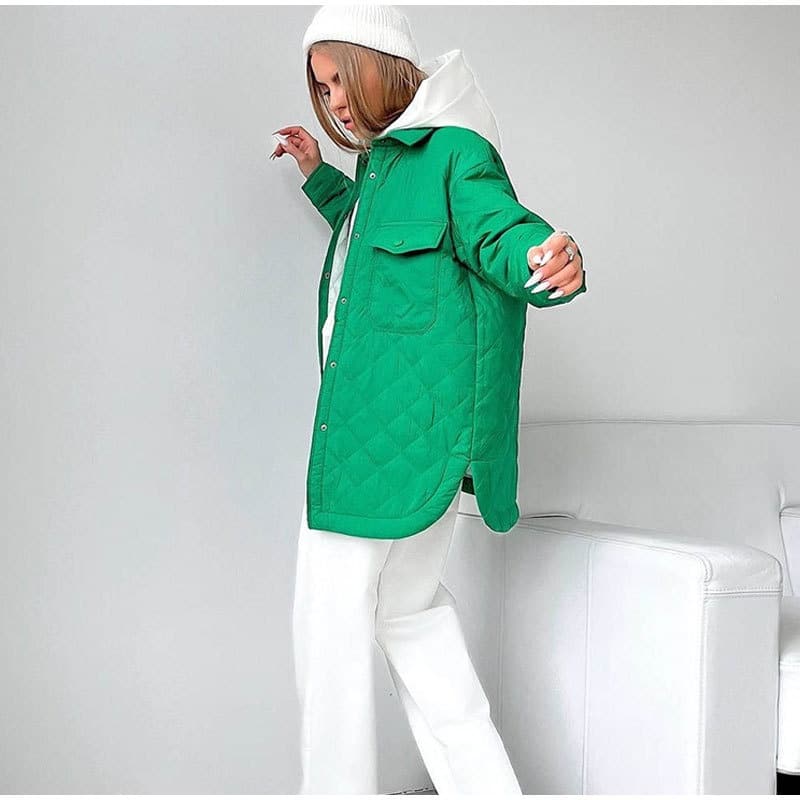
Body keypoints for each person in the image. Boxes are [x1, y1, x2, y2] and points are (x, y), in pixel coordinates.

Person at [272, 5, 587, 794]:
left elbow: (500, 233)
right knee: (408, 616)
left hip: (383, 438)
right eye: (321, 89)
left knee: (329, 621)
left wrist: (549, 258)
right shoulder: (385, 165)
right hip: (408, 442)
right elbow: (373, 238)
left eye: (340, 79)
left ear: (377, 63)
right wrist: (318, 174)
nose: (334, 101)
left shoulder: (454, 152)